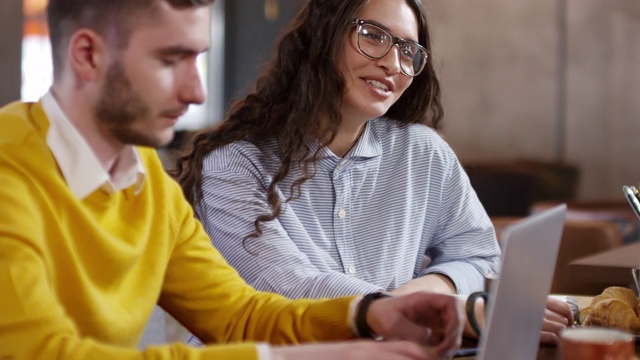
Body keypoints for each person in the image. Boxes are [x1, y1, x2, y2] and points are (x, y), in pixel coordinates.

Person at [0, 0, 467, 359]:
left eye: (197, 59)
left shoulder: (148, 184)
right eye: (170, 60)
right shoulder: (9, 171)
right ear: (87, 55)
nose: (196, 91)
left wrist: (365, 313)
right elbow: (44, 353)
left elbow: (237, 314)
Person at [176, 0, 574, 345]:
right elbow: (289, 288)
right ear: (323, 37)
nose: (392, 63)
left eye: (408, 51)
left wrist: (428, 294)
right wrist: (450, 312)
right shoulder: (234, 163)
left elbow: (482, 256)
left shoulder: (423, 152)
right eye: (373, 35)